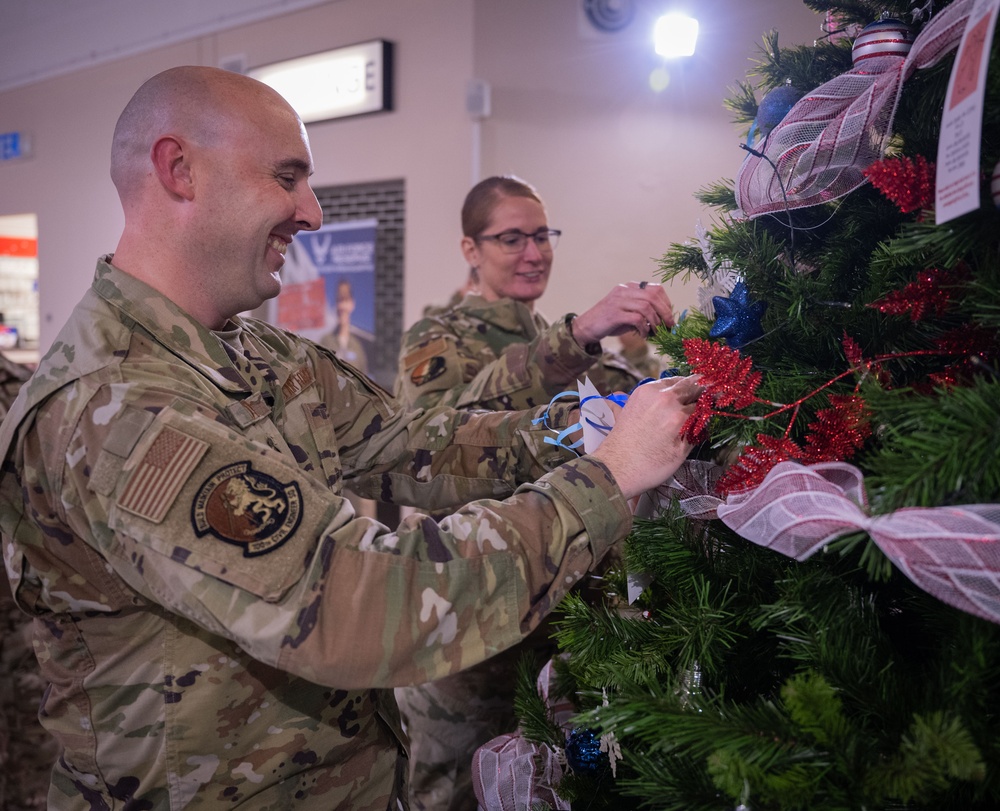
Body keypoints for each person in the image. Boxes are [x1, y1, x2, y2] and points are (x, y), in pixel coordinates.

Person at [0, 66, 701, 810]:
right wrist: (605, 477)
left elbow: (426, 444)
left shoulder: (262, 355)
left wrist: (590, 425)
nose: (313, 211)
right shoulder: (112, 406)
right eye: (287, 176)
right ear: (180, 170)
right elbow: (349, 601)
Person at [394, 175, 676, 810]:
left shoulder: (567, 345)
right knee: (457, 792)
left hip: (564, 624)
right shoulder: (438, 338)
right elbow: (440, 443)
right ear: (471, 248)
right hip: (471, 634)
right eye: (511, 238)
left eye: (542, 235)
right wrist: (575, 337)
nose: (534, 252)